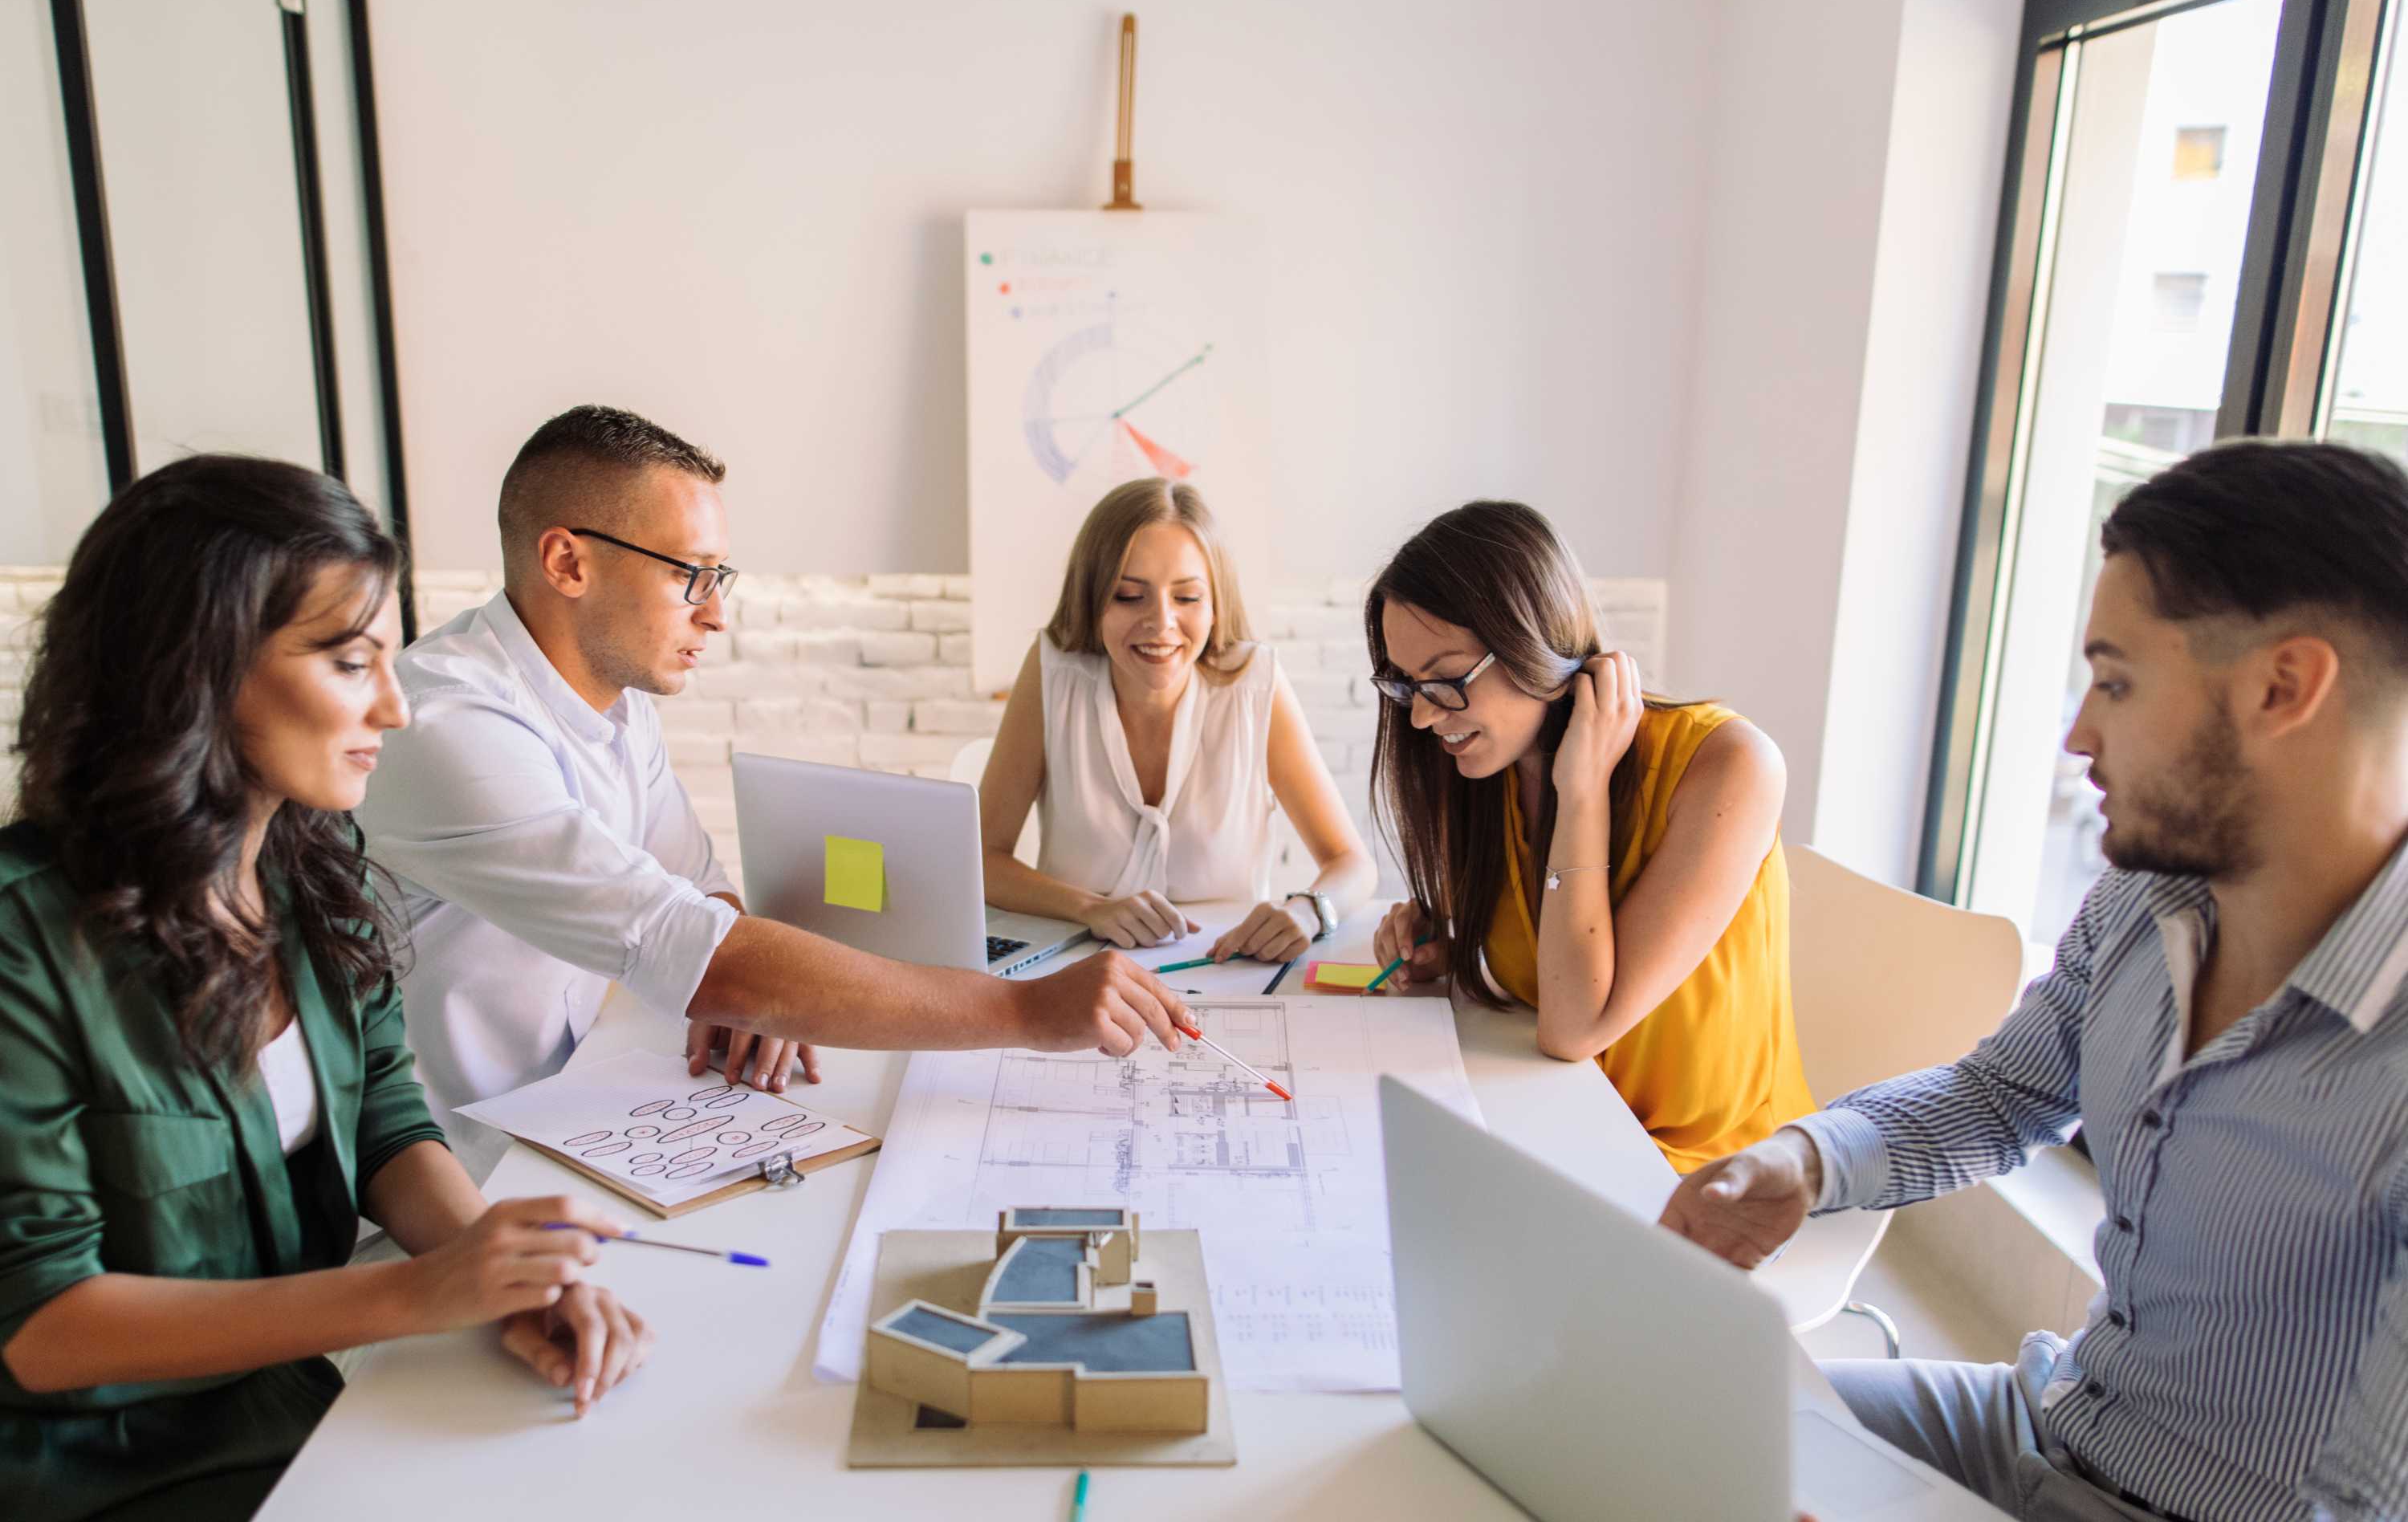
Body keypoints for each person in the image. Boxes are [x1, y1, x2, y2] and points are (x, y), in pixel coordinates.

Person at [1662, 441, 2408, 1522]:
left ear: (2282, 686)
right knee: (1664, 1421)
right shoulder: (2149, 900)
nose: (2077, 733)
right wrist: (1804, 1158)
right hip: (2044, 1421)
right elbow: (2001, 1094)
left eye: (2114, 679)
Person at [0, 457, 645, 1522]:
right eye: (350, 663)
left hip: (307, 1419)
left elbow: (385, 1116)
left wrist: (501, 1269)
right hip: (103, 1476)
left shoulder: (313, 860)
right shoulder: (25, 940)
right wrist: (413, 1291)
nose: (395, 707)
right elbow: (42, 1321)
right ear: (196, 668)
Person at [355, 407, 1193, 1178]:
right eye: (691, 574)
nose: (717, 614)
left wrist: (743, 987)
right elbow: (695, 941)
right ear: (567, 561)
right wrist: (1026, 1014)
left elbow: (701, 886)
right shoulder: (448, 725)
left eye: (723, 576)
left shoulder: (615, 704)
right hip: (456, 1176)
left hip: (581, 1119)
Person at [1363, 500, 1812, 1171]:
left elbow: (1575, 1027)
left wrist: (1582, 792)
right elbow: (1542, 971)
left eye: (1447, 679)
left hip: (1709, 1176)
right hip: (1560, 1129)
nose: (1424, 716)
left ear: (1532, 638)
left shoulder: (1730, 768)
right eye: (1406, 684)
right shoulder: (1489, 772)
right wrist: (1443, 940)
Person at [978, 478, 1376, 959]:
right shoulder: (1053, 672)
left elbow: (1352, 864)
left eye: (1186, 598)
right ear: (1092, 597)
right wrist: (1091, 908)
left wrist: (1308, 910)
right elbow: (981, 860)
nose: (1162, 623)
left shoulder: (1255, 684)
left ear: (1214, 605)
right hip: (1079, 973)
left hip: (1228, 970)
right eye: (1129, 596)